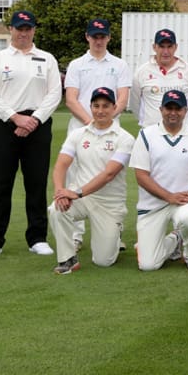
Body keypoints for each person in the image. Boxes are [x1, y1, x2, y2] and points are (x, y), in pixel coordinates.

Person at [0, 10, 62, 260]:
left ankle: (37, 238)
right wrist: (15, 117)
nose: (23, 33)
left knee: (36, 183)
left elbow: (54, 94)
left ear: (34, 30)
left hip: (38, 125)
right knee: (1, 184)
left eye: (28, 28)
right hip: (6, 124)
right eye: (19, 28)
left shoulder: (47, 59)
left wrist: (34, 119)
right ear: (11, 30)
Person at [48, 87, 135, 274]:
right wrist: (60, 192)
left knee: (103, 261)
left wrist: (76, 192)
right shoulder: (78, 134)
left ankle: (115, 234)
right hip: (81, 198)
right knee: (56, 209)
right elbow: (61, 164)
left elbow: (109, 174)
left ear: (114, 107)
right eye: (96, 106)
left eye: (105, 106)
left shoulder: (125, 138)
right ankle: (68, 258)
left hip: (109, 203)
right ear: (91, 107)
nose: (100, 110)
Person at [131, 89, 188, 272]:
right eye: (169, 108)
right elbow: (141, 175)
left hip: (183, 201)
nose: (173, 112)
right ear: (161, 109)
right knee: (148, 265)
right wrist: (168, 196)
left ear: (185, 111)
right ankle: (175, 239)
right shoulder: (146, 135)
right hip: (152, 204)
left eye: (178, 108)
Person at [64, 17, 131, 133]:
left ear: (109, 37)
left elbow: (122, 99)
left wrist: (104, 122)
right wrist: (90, 123)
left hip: (110, 129)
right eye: (95, 37)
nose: (99, 42)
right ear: (87, 37)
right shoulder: (76, 65)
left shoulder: (121, 65)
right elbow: (71, 100)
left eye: (102, 37)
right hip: (80, 128)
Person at [131, 28, 188, 129]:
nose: (165, 51)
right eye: (161, 47)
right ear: (154, 47)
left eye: (169, 46)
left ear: (175, 47)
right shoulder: (142, 72)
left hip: (181, 131)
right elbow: (135, 103)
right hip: (150, 131)